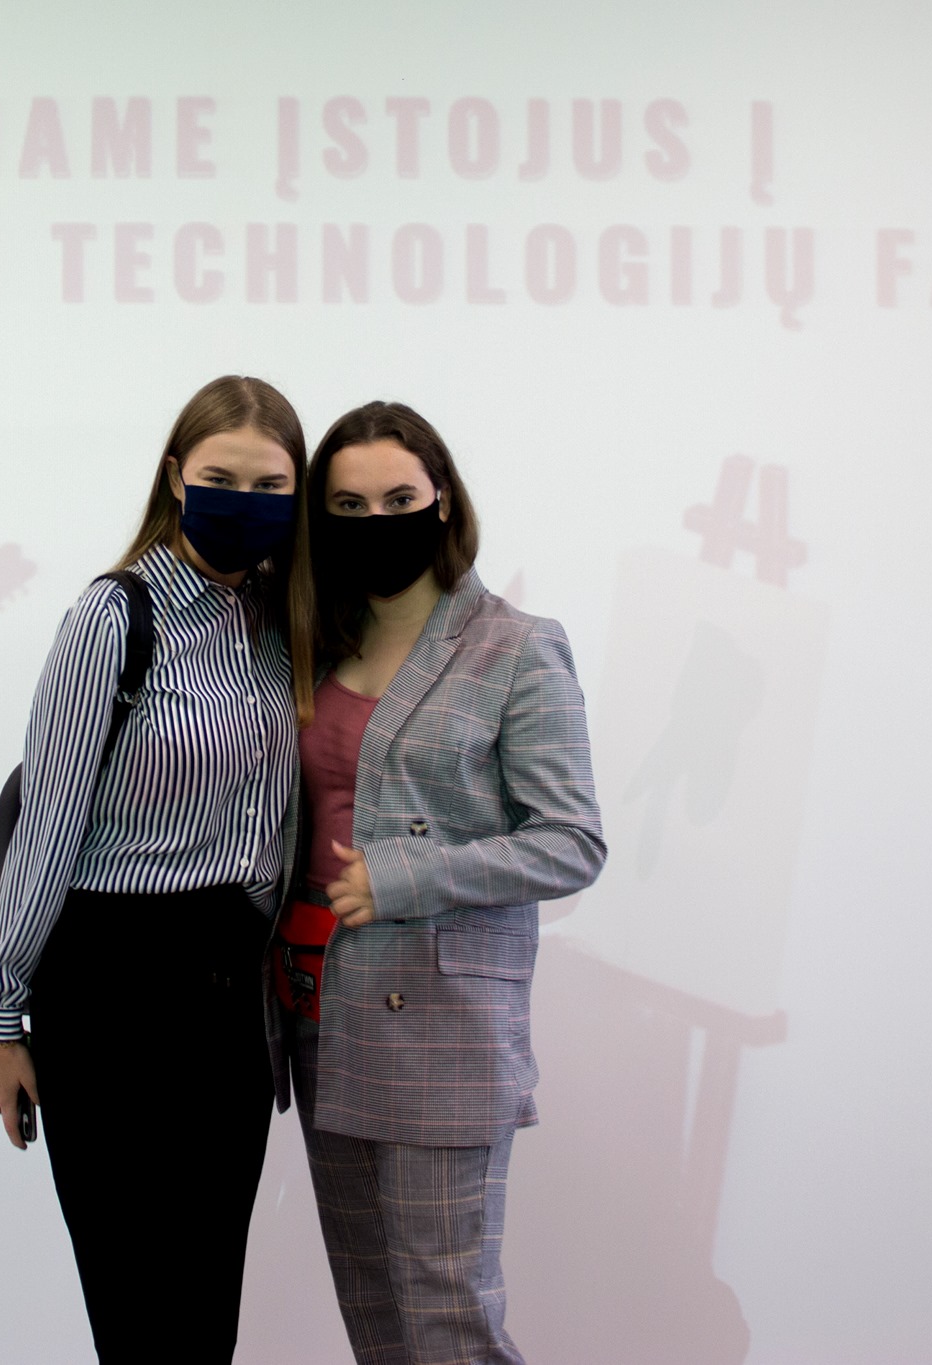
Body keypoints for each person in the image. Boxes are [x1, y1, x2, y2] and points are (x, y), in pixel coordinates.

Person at [0, 375, 316, 1364]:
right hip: (111, 997)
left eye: (269, 484)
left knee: (203, 1321)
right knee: (139, 1322)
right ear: (174, 477)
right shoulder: (114, 618)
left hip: (229, 1016)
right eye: (220, 478)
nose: (243, 502)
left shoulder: (272, 625)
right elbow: (46, 824)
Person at [277, 402, 605, 1365]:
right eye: (348, 505)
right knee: (374, 1315)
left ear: (443, 498)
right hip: (317, 1015)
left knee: (448, 1320)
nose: (376, 521)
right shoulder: (313, 640)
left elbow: (571, 841)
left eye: (398, 498)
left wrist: (408, 874)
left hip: (440, 1027)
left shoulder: (516, 645)